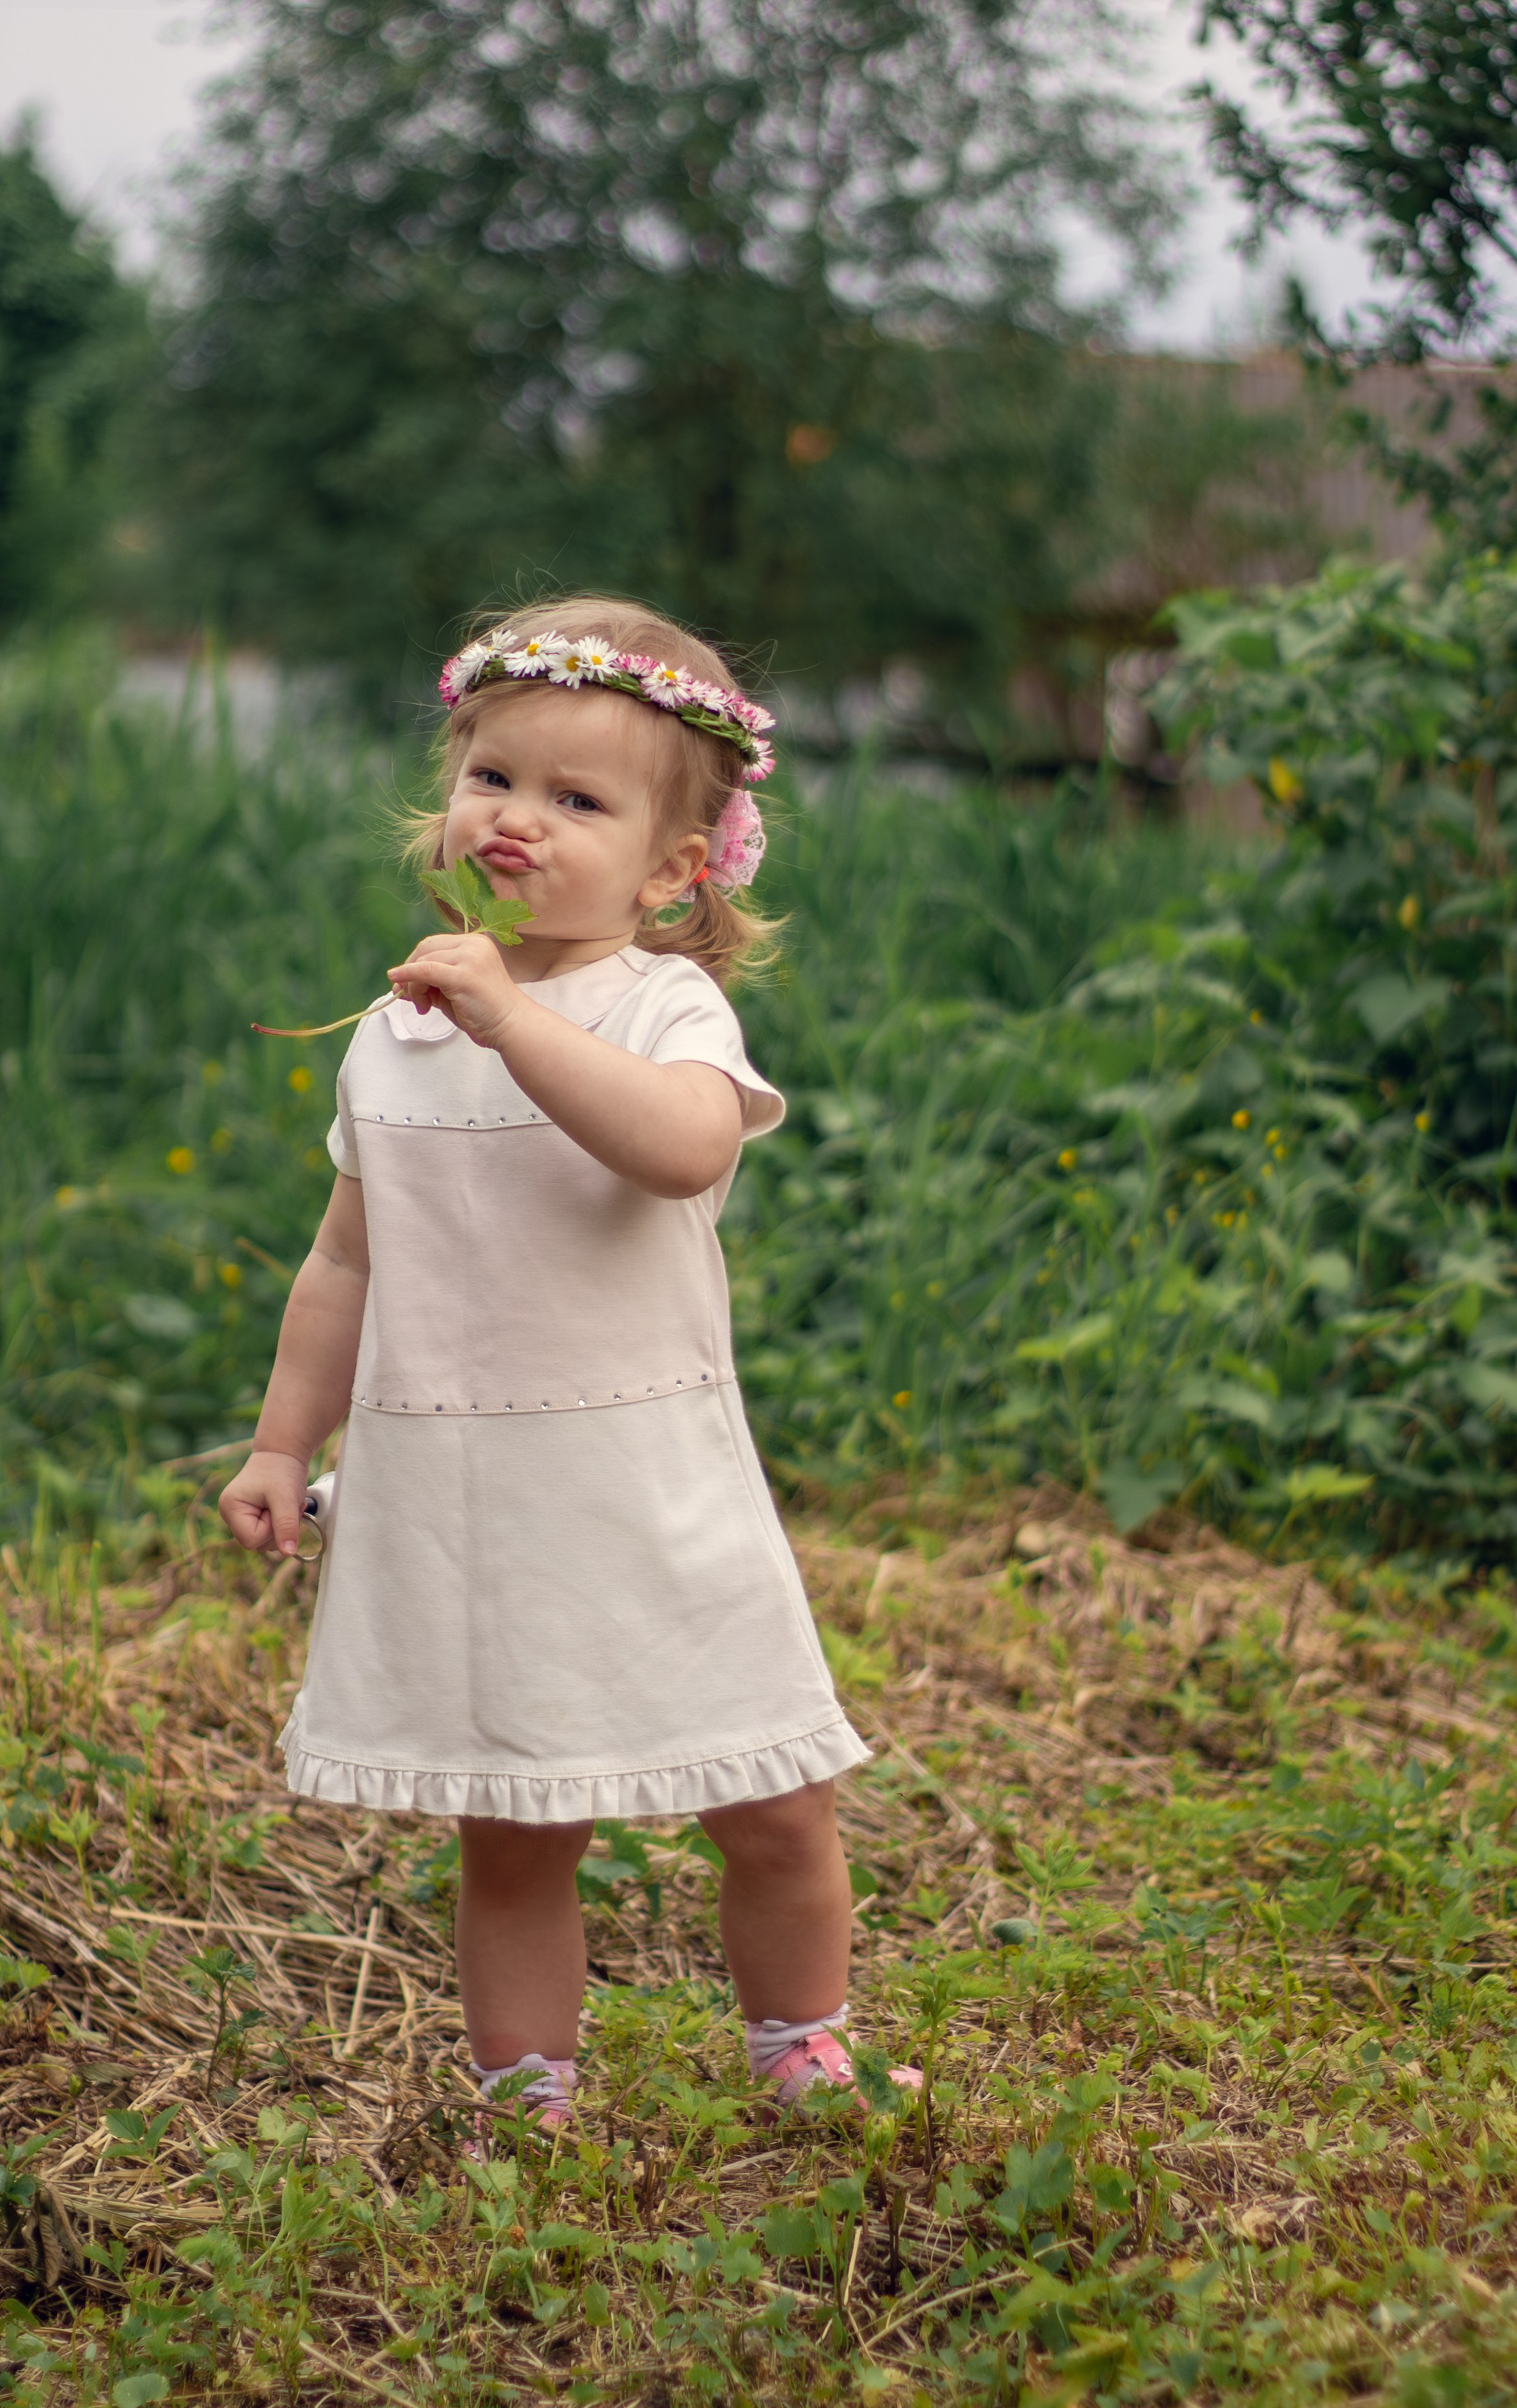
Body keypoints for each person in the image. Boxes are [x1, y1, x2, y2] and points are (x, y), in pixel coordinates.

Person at [219, 599, 912, 2133]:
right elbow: (345, 1258)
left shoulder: (663, 1004)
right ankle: (519, 2091)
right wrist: (281, 1441)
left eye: (577, 800)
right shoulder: (391, 1038)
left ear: (675, 868)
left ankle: (801, 2047)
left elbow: (676, 1148)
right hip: (471, 1491)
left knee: (773, 1801)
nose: (519, 819)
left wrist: (509, 1022)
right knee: (517, 1829)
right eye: (493, 779)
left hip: (646, 1478)